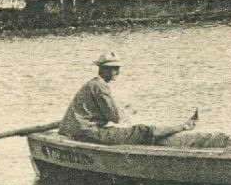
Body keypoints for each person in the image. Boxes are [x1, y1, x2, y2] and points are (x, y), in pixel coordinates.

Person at [59, 53, 202, 146]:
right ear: (103, 69)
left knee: (133, 130)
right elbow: (115, 117)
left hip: (79, 130)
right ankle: (183, 126)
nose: (118, 72)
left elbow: (104, 112)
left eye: (117, 68)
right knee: (142, 130)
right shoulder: (100, 87)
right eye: (114, 68)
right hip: (87, 133)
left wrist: (121, 111)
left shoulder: (93, 84)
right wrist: (125, 112)